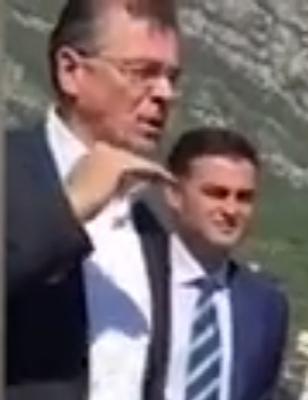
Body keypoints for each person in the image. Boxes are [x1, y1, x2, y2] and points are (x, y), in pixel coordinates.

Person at [5, 0, 181, 398]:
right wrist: (67, 210)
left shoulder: (151, 221)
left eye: (172, 77)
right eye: (142, 72)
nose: (165, 93)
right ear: (72, 71)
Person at [162, 127, 289, 400]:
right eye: (216, 193)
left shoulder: (266, 306)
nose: (231, 210)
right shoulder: (135, 278)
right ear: (174, 193)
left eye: (244, 197)